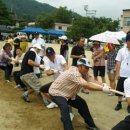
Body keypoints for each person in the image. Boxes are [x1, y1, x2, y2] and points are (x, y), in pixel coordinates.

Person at [48, 58, 110, 130]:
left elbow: (90, 79)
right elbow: (87, 85)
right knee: (64, 107)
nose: (87, 70)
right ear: (79, 66)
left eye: (88, 68)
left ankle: (91, 125)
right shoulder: (74, 73)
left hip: (68, 93)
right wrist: (102, 89)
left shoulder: (83, 72)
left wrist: (102, 85)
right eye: (86, 67)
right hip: (57, 93)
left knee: (82, 103)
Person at [115, 34, 130, 111]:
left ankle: (129, 105)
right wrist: (117, 73)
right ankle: (119, 103)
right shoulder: (121, 50)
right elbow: (118, 62)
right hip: (122, 74)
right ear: (127, 42)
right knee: (119, 90)